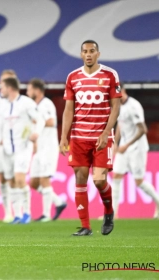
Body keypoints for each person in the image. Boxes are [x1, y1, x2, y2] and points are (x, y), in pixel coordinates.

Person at [59, 40, 121, 236]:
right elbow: (68, 109)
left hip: (102, 138)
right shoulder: (73, 77)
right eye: (85, 51)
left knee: (99, 180)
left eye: (92, 51)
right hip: (78, 137)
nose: (88, 54)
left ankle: (108, 212)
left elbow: (116, 107)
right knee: (80, 178)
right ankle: (85, 226)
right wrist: (63, 137)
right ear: (81, 54)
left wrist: (105, 132)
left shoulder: (110, 75)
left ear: (98, 54)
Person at [0, 77, 44, 224]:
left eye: (2, 87)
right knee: (11, 182)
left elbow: (40, 119)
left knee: (20, 179)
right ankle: (17, 214)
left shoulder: (26, 103)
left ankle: (27, 213)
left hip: (22, 148)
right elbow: (0, 127)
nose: (0, 90)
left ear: (9, 88)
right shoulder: (3, 106)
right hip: (7, 149)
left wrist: (37, 133)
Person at [112, 85, 159, 218]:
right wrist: (116, 143)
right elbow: (120, 124)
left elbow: (143, 129)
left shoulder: (134, 106)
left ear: (123, 90)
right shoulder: (118, 106)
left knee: (139, 181)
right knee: (116, 176)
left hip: (137, 148)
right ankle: (113, 214)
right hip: (123, 147)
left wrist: (126, 145)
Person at [26, 78, 67, 222]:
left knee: (44, 179)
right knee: (33, 183)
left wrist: (38, 122)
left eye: (29, 89)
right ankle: (58, 202)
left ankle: (46, 214)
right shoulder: (34, 106)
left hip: (48, 148)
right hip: (39, 148)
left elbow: (51, 122)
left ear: (37, 90)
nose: (27, 92)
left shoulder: (46, 104)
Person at [0, 69, 17, 223]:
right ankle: (7, 211)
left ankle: (17, 211)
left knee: (14, 178)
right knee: (1, 178)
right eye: (3, 81)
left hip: (14, 146)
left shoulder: (19, 101)